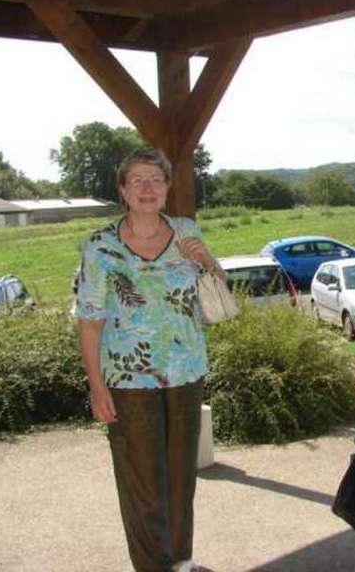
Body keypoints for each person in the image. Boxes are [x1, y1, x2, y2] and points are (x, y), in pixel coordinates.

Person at [76, 147, 220, 572]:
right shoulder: (100, 246)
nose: (146, 188)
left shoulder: (186, 231)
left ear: (167, 188)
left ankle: (180, 560)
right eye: (136, 180)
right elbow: (89, 321)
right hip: (127, 379)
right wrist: (97, 385)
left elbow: (218, 290)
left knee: (180, 477)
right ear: (122, 189)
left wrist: (207, 261)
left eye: (155, 180)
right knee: (142, 483)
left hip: (185, 372)